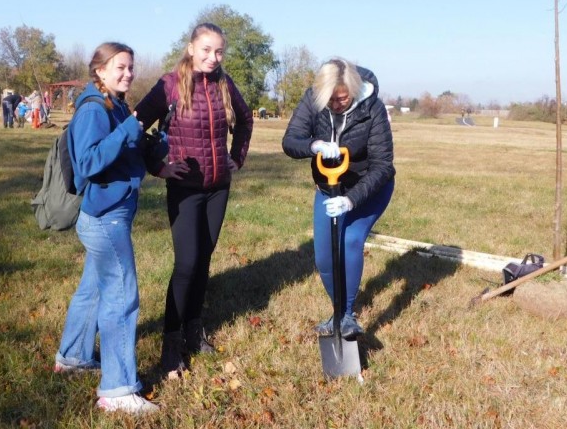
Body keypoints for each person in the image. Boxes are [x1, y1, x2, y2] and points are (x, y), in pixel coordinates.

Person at [134, 23, 253, 375]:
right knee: (186, 264)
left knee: (203, 260)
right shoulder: (169, 85)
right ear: (190, 48)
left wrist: (238, 157)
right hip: (185, 188)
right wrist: (157, 166)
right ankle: (171, 345)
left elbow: (245, 121)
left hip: (218, 187)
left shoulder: (224, 84)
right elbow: (135, 125)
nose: (212, 58)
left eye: (218, 52)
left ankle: (193, 332)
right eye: (206, 50)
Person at [54, 42, 166, 414]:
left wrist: (151, 142)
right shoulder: (93, 108)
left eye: (131, 67)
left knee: (93, 290)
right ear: (99, 71)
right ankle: (117, 391)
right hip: (106, 219)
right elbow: (87, 163)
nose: (128, 74)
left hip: (105, 216)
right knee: (121, 297)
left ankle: (72, 355)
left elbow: (124, 152)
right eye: (120, 67)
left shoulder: (114, 104)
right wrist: (125, 134)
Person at [281, 58, 395, 339]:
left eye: (341, 99)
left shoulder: (373, 109)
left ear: (353, 90)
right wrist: (313, 145)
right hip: (328, 189)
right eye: (330, 99)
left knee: (350, 241)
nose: (336, 104)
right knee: (324, 257)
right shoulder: (313, 99)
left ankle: (346, 316)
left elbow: (383, 165)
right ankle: (338, 310)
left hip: (367, 190)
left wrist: (351, 200)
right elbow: (290, 140)